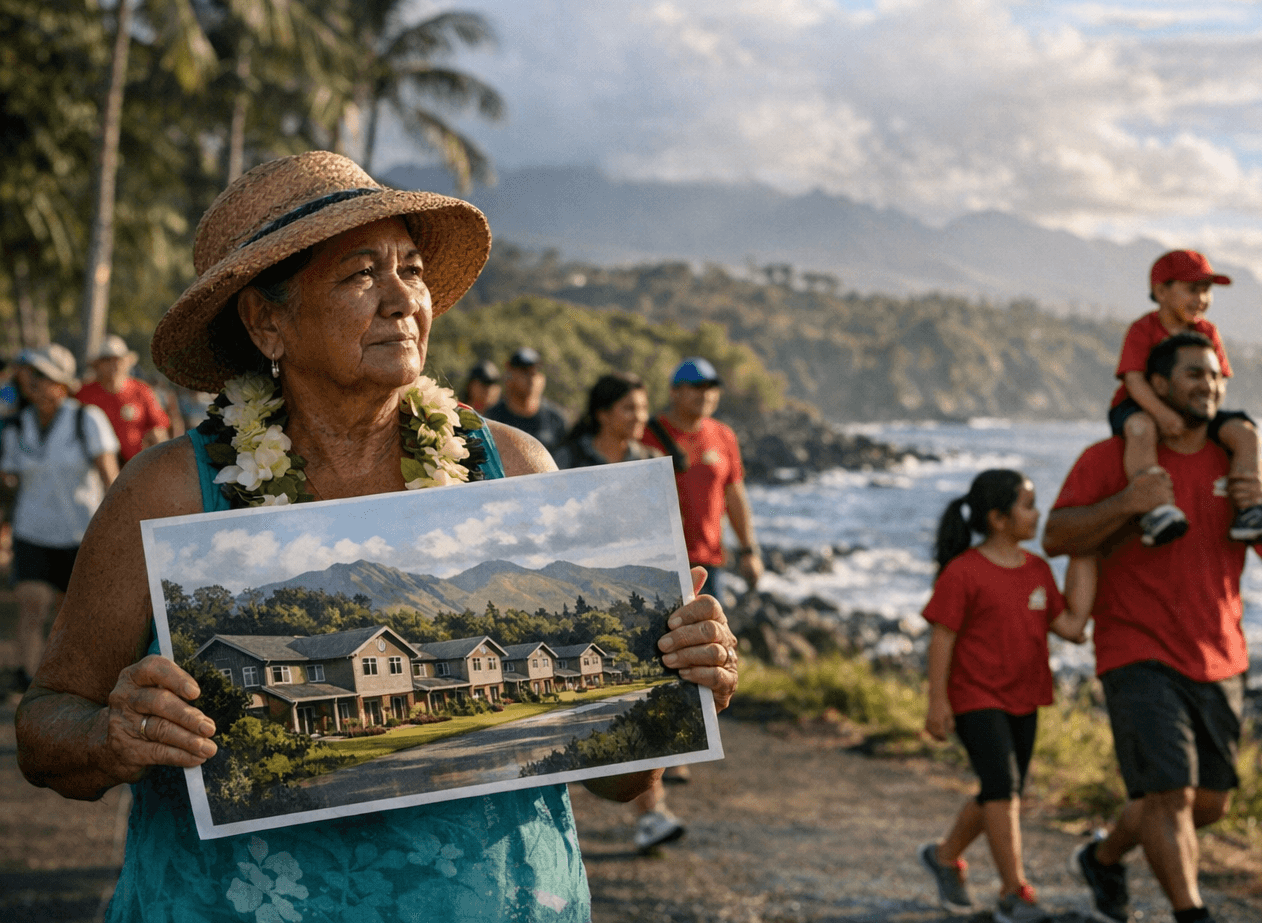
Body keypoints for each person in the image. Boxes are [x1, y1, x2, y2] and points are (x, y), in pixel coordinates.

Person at [13, 152, 740, 923]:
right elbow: (44, 727)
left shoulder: (514, 468)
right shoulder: (168, 492)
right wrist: (108, 736)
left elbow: (619, 781)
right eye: (361, 274)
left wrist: (683, 686)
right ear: (266, 321)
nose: (403, 299)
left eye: (412, 270)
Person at [1043, 332, 1262, 923]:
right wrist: (1127, 503)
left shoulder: (1239, 461)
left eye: (1214, 376)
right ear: (1157, 385)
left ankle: (1104, 858)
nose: (1208, 386)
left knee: (1208, 804)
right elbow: (1056, 536)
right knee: (1170, 796)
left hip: (1220, 655)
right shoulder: (1108, 458)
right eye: (1193, 374)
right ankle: (1191, 913)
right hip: (1135, 650)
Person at [916, 469, 1089, 922]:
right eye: (1028, 505)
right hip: (974, 696)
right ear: (997, 518)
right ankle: (1014, 892)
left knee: (1000, 791)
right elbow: (942, 639)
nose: (1037, 513)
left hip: (1025, 698)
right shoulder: (963, 572)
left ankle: (944, 856)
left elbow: (1072, 627)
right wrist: (937, 702)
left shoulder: (1038, 570)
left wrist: (1088, 553)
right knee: (1002, 790)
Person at [1108, 249, 1262, 548]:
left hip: (1194, 410)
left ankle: (1252, 509)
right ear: (1161, 291)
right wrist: (1162, 414)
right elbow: (1134, 379)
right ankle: (1155, 509)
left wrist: (1203, 418)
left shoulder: (1208, 331)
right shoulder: (1142, 329)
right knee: (1141, 428)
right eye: (1192, 290)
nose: (1201, 299)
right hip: (1140, 405)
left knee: (1246, 434)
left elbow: (1220, 381)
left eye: (1206, 291)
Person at [1, 344, 120, 695]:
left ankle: (75, 688)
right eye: (30, 375)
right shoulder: (16, 425)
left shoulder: (87, 419)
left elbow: (111, 479)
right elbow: (9, 482)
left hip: (80, 535)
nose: (32, 382)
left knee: (74, 618)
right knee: (32, 607)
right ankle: (29, 686)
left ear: (62, 383)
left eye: (42, 375)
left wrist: (117, 530)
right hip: (31, 533)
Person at [641, 357, 763, 604]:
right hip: (659, 563)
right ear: (674, 392)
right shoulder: (646, 435)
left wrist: (748, 551)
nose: (706, 394)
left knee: (711, 627)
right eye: (697, 387)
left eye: (712, 387)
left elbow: (734, 495)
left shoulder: (724, 435)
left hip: (709, 563)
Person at [76, 334, 172, 463]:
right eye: (107, 360)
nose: (114, 365)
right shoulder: (84, 394)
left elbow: (160, 425)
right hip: (95, 464)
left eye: (118, 360)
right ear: (97, 365)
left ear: (127, 363)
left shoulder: (142, 390)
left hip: (136, 463)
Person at [553, 372, 663, 470]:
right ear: (602, 414)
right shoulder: (569, 459)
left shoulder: (651, 463)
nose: (640, 417)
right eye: (629, 408)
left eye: (644, 408)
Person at [483, 346, 568, 453]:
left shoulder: (556, 420)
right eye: (525, 371)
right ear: (509, 374)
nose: (531, 379)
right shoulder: (492, 418)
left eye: (535, 372)